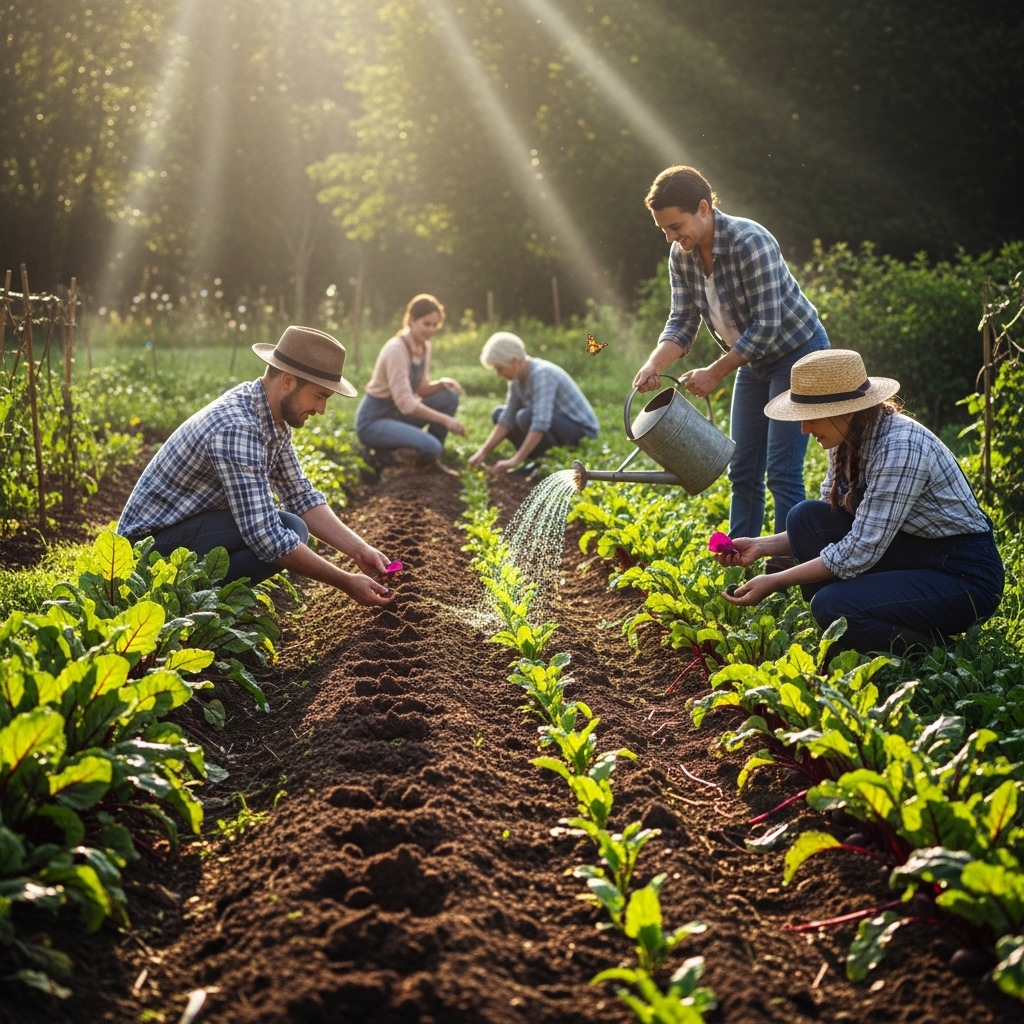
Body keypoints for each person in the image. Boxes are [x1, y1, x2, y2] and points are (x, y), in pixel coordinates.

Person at [716, 349, 1004, 656]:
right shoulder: (846, 439)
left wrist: (775, 580)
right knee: (805, 518)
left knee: (832, 607)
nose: (803, 429)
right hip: (908, 551)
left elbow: (859, 551)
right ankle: (859, 622)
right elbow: (844, 527)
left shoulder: (900, 447)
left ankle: (939, 653)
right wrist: (762, 546)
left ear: (846, 410)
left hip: (960, 576)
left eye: (809, 418)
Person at [117, 326, 396, 606]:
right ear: (287, 381)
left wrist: (359, 550)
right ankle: (186, 602)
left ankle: (202, 599)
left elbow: (299, 495)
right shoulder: (238, 427)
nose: (321, 410)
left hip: (183, 531)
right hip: (143, 553)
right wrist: (346, 582)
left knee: (292, 527)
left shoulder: (269, 416)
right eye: (320, 396)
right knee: (286, 532)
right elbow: (266, 537)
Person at [633, 165, 830, 548]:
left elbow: (769, 324)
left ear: (703, 208)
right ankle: (739, 556)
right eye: (665, 231)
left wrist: (716, 372)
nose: (672, 238)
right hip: (753, 361)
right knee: (742, 469)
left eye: (676, 226)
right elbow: (681, 321)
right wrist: (654, 364)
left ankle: (791, 562)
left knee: (782, 471)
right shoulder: (682, 255)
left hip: (797, 352)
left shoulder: (749, 241)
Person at [356, 293, 465, 469]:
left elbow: (421, 389)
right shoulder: (396, 350)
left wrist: (441, 383)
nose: (431, 330)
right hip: (375, 420)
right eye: (426, 324)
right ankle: (380, 455)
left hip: (400, 416)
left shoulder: (424, 345)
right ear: (411, 321)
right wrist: (446, 420)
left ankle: (431, 461)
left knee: (448, 395)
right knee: (431, 446)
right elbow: (406, 402)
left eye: (435, 325)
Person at [467, 331, 599, 474]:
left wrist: (515, 460)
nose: (499, 374)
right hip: (555, 425)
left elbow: (540, 423)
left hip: (581, 430)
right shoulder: (517, 380)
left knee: (525, 417)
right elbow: (507, 417)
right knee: (499, 414)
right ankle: (538, 462)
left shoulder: (543, 374)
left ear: (515, 362)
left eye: (500, 368)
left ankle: (548, 462)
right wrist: (483, 453)